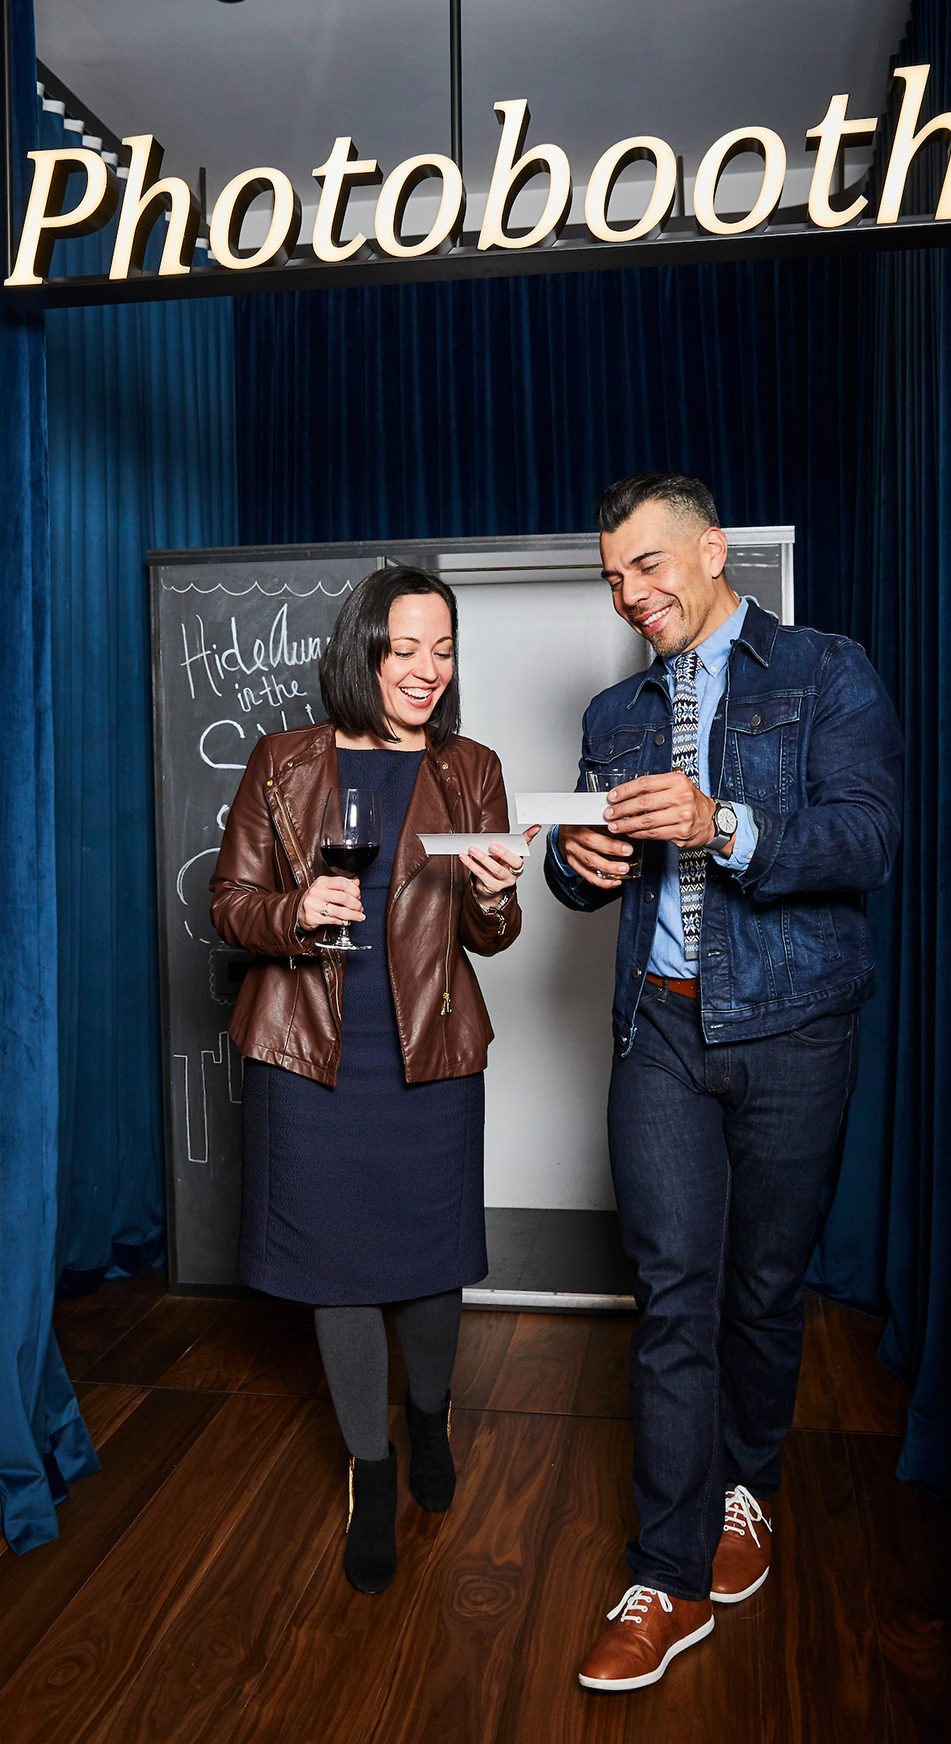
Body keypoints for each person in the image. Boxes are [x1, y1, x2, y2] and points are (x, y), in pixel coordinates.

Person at [545, 472, 904, 1692]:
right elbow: (578, 873)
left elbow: (867, 837)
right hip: (658, 1029)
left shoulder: (825, 671)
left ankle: (745, 1486)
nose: (628, 596)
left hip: (795, 1030)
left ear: (712, 551)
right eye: (611, 579)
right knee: (669, 1296)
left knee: (760, 1288)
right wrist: (577, 864)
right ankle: (665, 1572)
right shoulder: (611, 711)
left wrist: (723, 825)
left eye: (645, 567)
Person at [209, 564, 533, 1596]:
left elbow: (489, 934)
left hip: (426, 1053)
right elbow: (229, 902)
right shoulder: (283, 762)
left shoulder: (471, 768)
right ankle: (372, 1465)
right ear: (362, 652)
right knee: (335, 1269)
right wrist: (294, 911)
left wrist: (496, 895)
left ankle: (430, 1414)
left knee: (431, 1265)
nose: (428, 669)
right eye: (406, 648)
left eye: (443, 649)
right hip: (308, 1056)